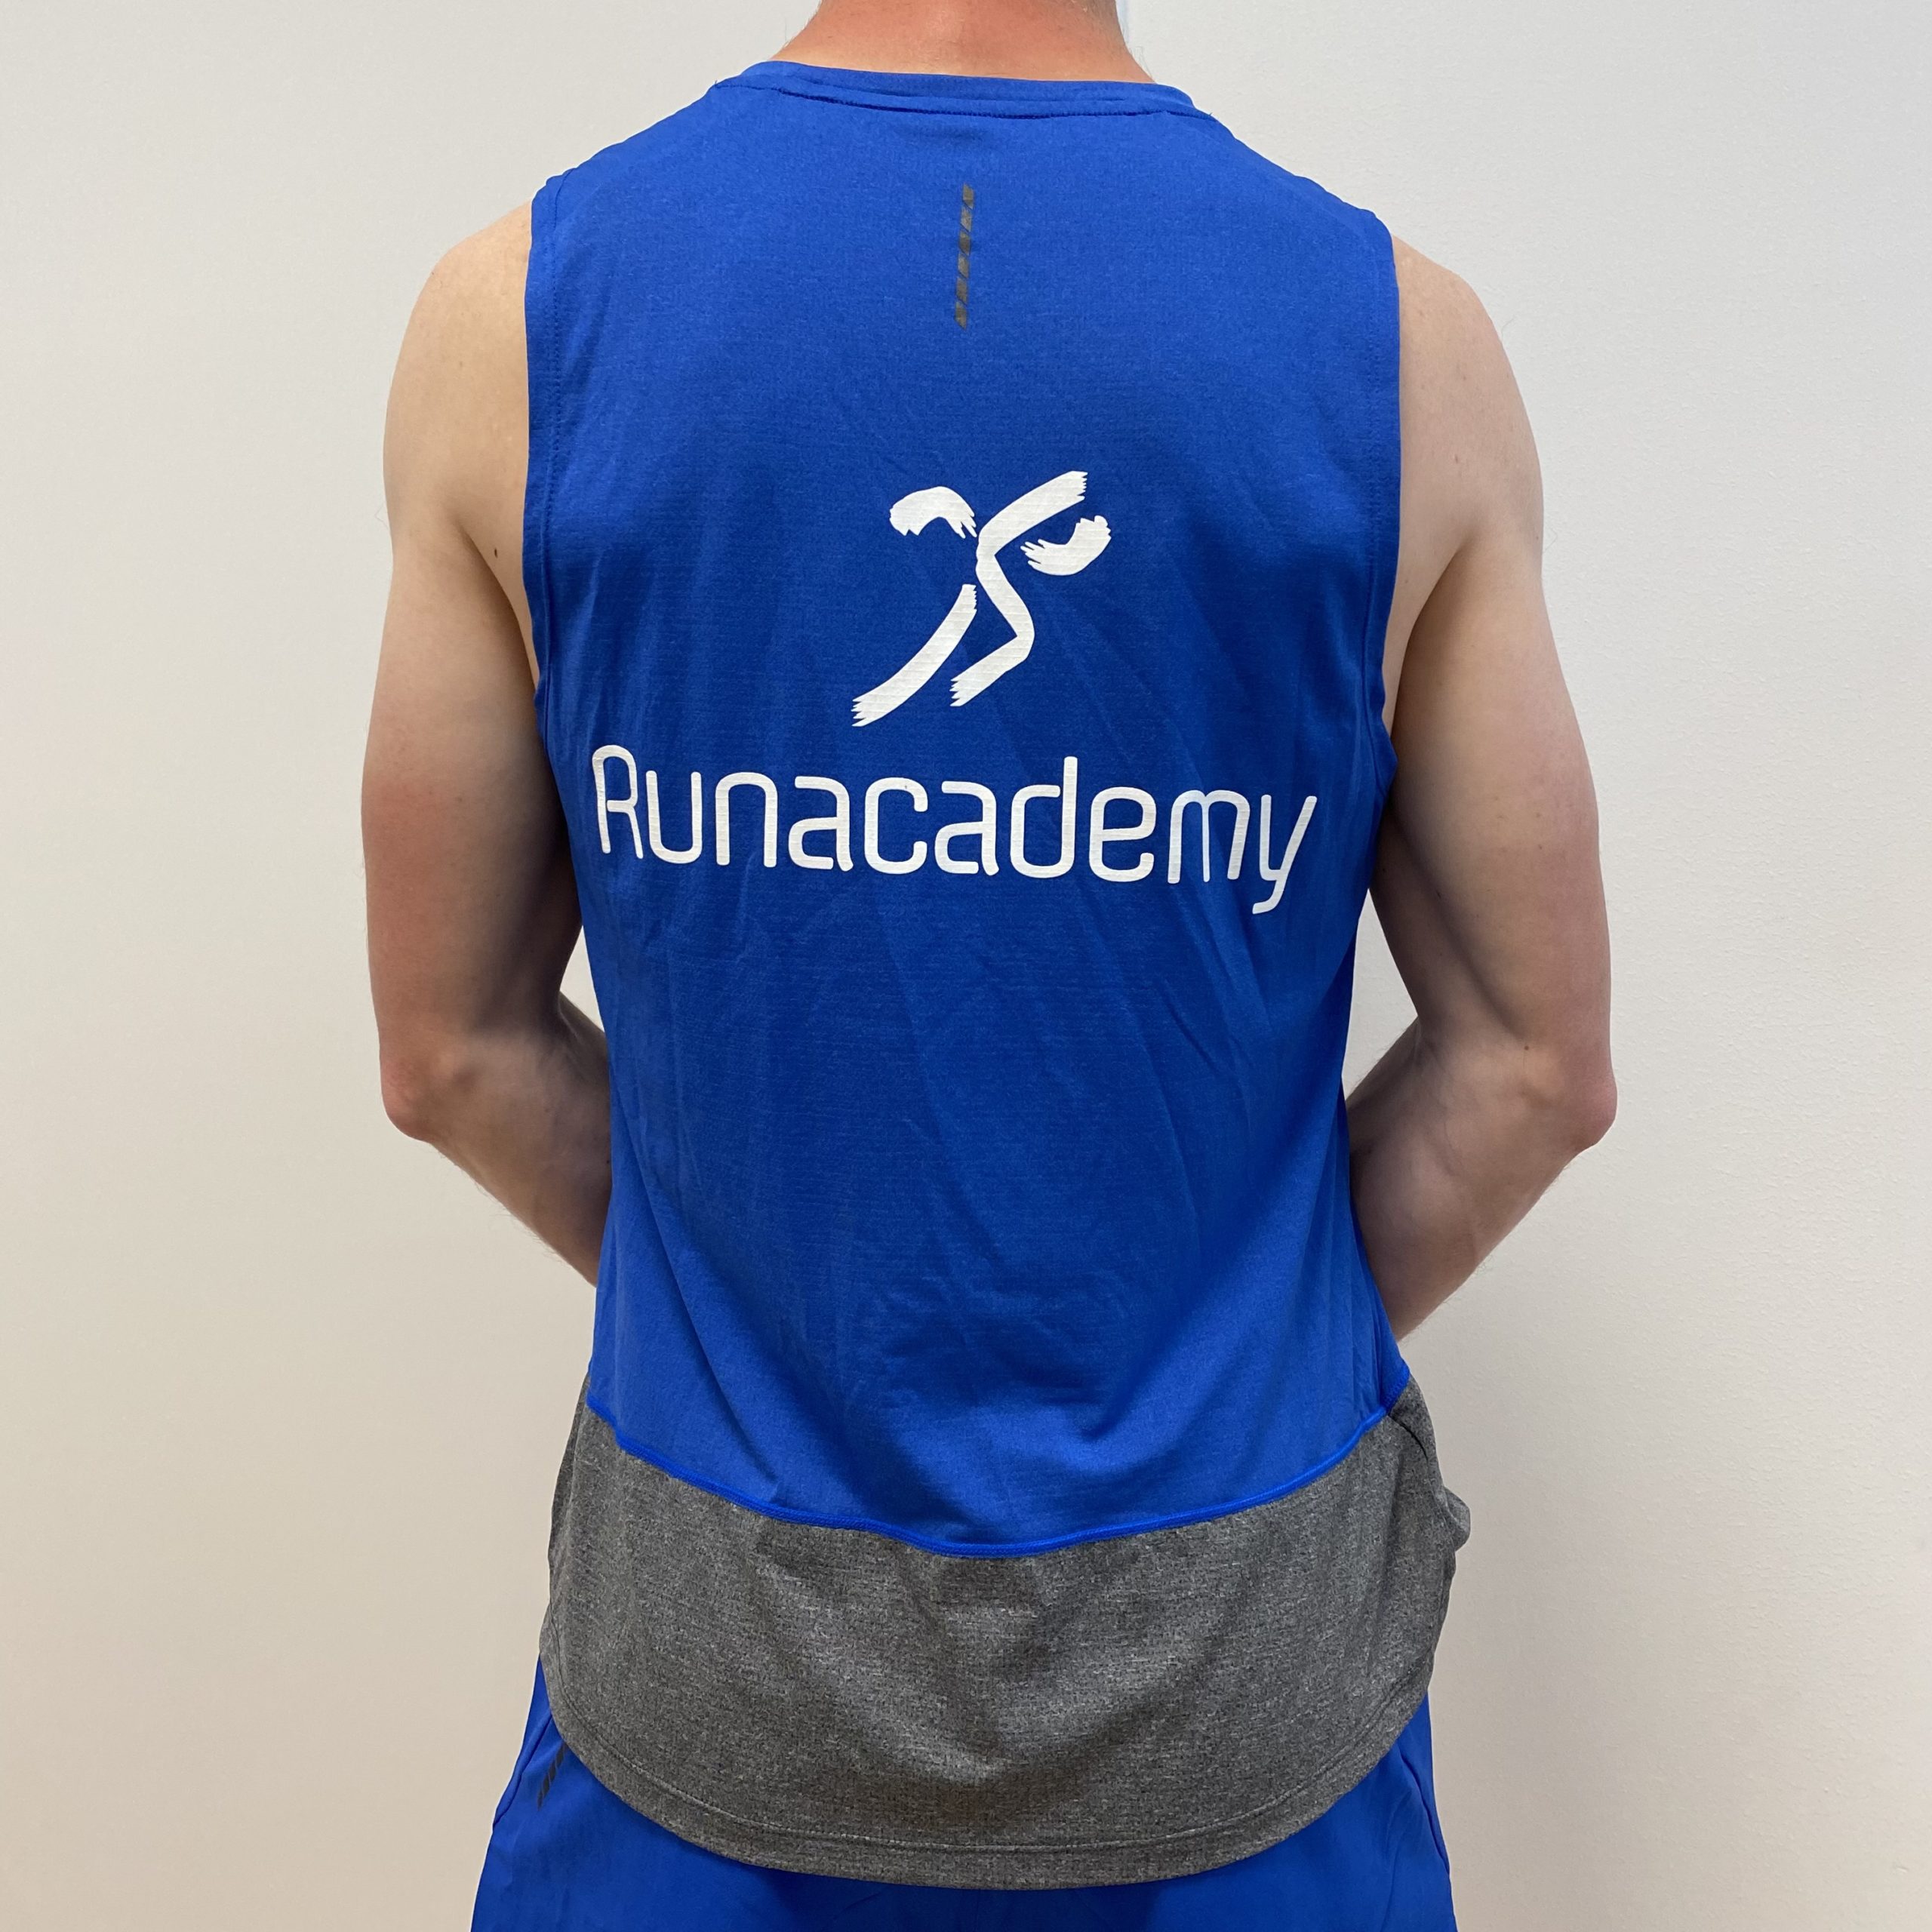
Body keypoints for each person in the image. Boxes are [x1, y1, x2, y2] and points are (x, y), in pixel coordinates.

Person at [361, 1, 1615, 1924]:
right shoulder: (1400, 347)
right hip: (1241, 1709)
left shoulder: (512, 322)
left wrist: (773, 1302)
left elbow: (448, 1048)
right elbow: (1534, 1064)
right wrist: (1208, 1328)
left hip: (706, 1697)